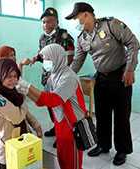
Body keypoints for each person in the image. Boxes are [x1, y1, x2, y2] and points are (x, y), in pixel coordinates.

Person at [65, 2, 139, 166]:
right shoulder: (82, 38)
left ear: (86, 14)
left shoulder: (111, 25)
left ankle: (122, 150)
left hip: (121, 76)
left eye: (77, 18)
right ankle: (103, 145)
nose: (77, 23)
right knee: (102, 115)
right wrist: (65, 77)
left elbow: (133, 43)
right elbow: (77, 61)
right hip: (101, 79)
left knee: (121, 117)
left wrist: (130, 69)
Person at [16, 43, 87, 169]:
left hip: (73, 126)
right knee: (62, 159)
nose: (45, 62)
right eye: (44, 59)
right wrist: (24, 90)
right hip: (60, 124)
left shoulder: (68, 77)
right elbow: (42, 100)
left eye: (47, 59)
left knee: (73, 163)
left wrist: (27, 86)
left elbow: (53, 100)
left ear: (57, 58)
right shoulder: (53, 76)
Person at [0, 58, 42, 169]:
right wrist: (24, 97)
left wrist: (35, 124)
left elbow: (23, 111)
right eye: (8, 76)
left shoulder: (10, 91)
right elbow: (17, 117)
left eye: (15, 76)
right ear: (0, 75)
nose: (13, 80)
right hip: (8, 147)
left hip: (21, 142)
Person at [31, 8, 75, 146]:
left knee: (60, 107)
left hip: (60, 78)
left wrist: (60, 72)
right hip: (47, 77)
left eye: (49, 21)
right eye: (43, 22)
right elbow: (41, 54)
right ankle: (56, 127)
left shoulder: (64, 36)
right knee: (50, 105)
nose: (45, 24)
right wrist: (35, 58)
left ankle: (64, 132)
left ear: (56, 22)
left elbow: (70, 56)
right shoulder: (42, 37)